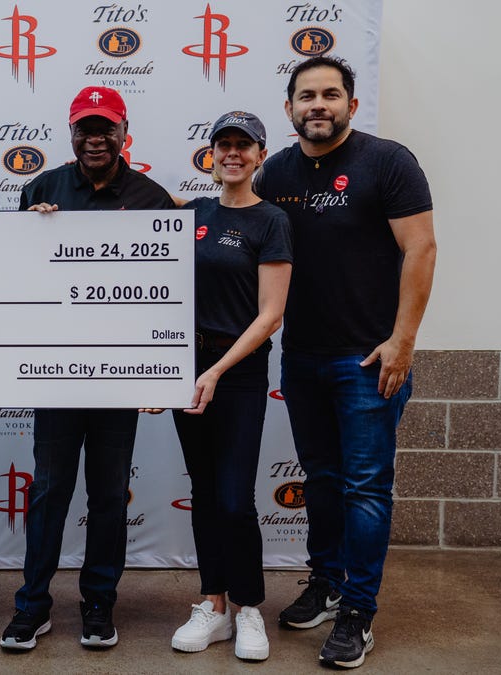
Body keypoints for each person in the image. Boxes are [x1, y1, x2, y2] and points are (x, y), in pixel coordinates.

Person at [255, 56, 436, 669]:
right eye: (307, 96)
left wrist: (403, 340)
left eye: (331, 94)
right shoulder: (273, 171)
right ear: (289, 109)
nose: (319, 105)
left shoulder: (388, 162)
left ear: (351, 106)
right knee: (325, 483)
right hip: (301, 357)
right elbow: (225, 217)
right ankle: (327, 581)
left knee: (364, 489)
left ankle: (359, 610)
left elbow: (421, 248)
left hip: (369, 361)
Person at [0, 86, 174, 652]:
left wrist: (157, 371)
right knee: (49, 492)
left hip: (118, 377)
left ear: (126, 134)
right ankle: (33, 605)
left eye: (106, 128)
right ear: (70, 133)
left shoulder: (152, 199)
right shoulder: (42, 188)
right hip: (54, 374)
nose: (94, 138)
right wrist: (32, 232)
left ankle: (99, 603)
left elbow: (164, 296)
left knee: (107, 495)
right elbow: (13, 279)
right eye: (84, 128)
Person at [159, 111, 292, 662]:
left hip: (235, 374)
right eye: (223, 144)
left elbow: (271, 315)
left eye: (244, 145)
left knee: (236, 499)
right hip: (189, 371)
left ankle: (250, 609)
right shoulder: (193, 214)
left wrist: (215, 372)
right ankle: (212, 606)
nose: (232, 153)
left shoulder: (271, 222)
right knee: (207, 494)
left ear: (260, 155)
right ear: (210, 155)